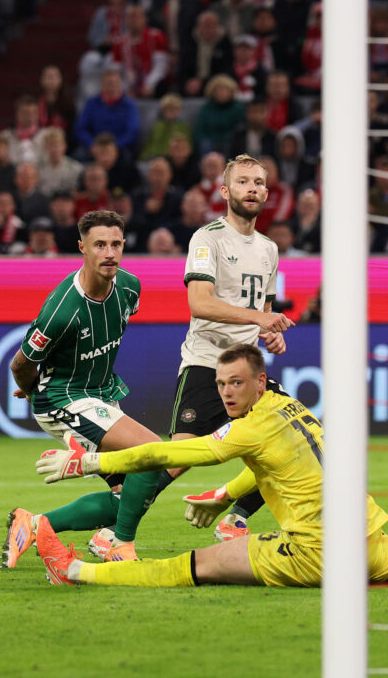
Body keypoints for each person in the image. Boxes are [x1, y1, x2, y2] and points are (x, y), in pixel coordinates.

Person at [33, 344, 388, 589]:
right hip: (372, 543)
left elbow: (162, 454)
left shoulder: (247, 430)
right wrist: (226, 496)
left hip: (317, 555)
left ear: (259, 382)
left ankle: (73, 571)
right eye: (221, 384)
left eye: (237, 384)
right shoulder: (291, 407)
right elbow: (272, 466)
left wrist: (90, 460)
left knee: (194, 566)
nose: (227, 394)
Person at [1, 210, 167, 566]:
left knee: (133, 492)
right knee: (152, 452)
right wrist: (32, 392)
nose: (109, 253)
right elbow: (20, 363)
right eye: (100, 245)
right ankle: (121, 545)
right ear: (82, 248)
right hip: (64, 399)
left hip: (101, 394)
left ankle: (34, 523)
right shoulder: (61, 310)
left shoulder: (129, 288)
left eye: (116, 244)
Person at [168, 154, 294, 542]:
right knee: (177, 461)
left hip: (247, 369)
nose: (251, 188)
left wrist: (271, 331)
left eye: (258, 182)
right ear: (225, 191)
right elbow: (200, 303)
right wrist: (258, 319)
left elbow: (265, 312)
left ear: (267, 193)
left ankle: (234, 517)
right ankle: (116, 530)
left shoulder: (269, 249)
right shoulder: (208, 239)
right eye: (242, 182)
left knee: (291, 438)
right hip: (207, 363)